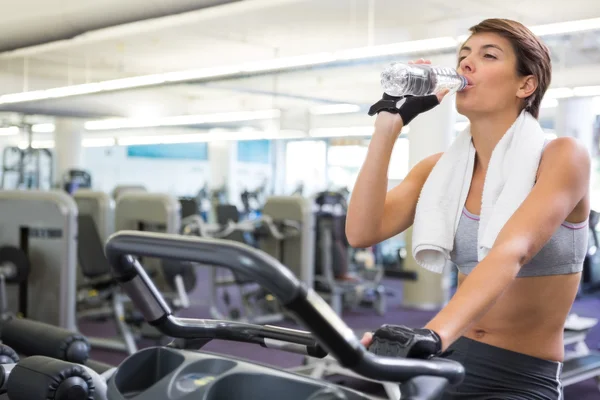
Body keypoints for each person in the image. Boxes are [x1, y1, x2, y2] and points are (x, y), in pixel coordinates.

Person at [346, 18, 591, 399]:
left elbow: (513, 249)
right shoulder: (440, 169)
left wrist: (431, 334)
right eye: (463, 56)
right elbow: (361, 232)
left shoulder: (562, 157)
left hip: (521, 377)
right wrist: (388, 125)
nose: (465, 65)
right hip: (452, 359)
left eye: (487, 55)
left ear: (525, 85)